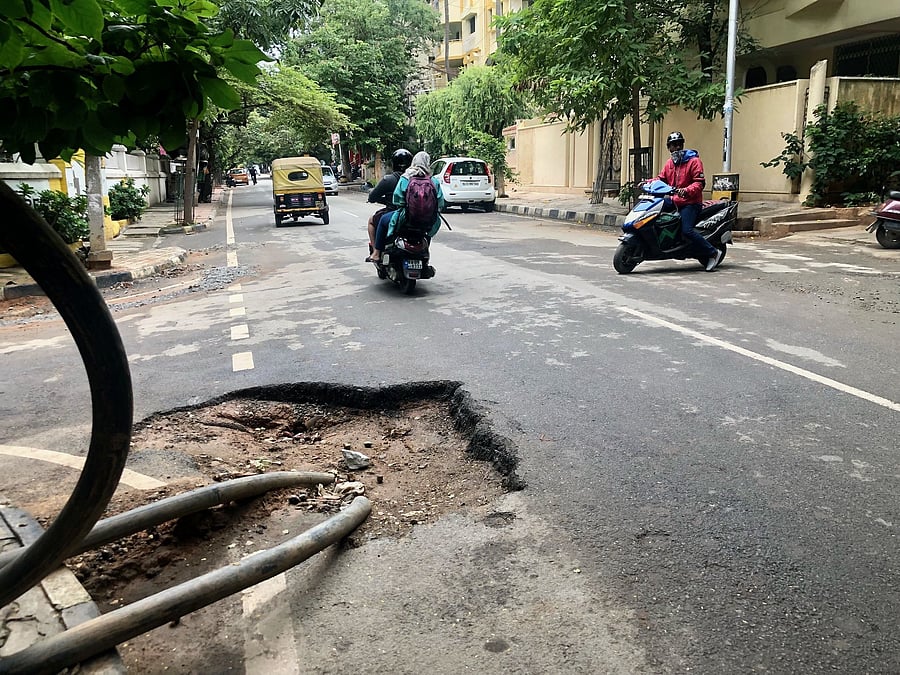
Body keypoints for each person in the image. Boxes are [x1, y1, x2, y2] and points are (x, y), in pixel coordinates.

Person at [650, 131, 722, 271]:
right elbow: (661, 179)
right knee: (655, 210)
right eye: (673, 145)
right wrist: (647, 183)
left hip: (690, 203)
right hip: (674, 200)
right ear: (668, 147)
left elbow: (699, 183)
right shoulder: (669, 163)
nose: (676, 148)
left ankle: (713, 252)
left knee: (687, 231)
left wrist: (687, 191)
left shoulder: (694, 161)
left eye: (678, 144)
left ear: (682, 145)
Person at [370, 150, 444, 263]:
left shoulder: (406, 177)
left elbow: (397, 199)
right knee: (427, 229)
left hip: (406, 217)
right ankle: (425, 253)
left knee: (383, 220)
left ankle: (376, 253)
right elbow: (440, 202)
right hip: (427, 219)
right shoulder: (433, 181)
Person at [366, 149, 413, 259]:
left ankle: (375, 252)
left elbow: (372, 197)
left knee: (372, 221)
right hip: (414, 216)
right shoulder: (416, 179)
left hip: (393, 213)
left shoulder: (389, 180)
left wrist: (384, 200)